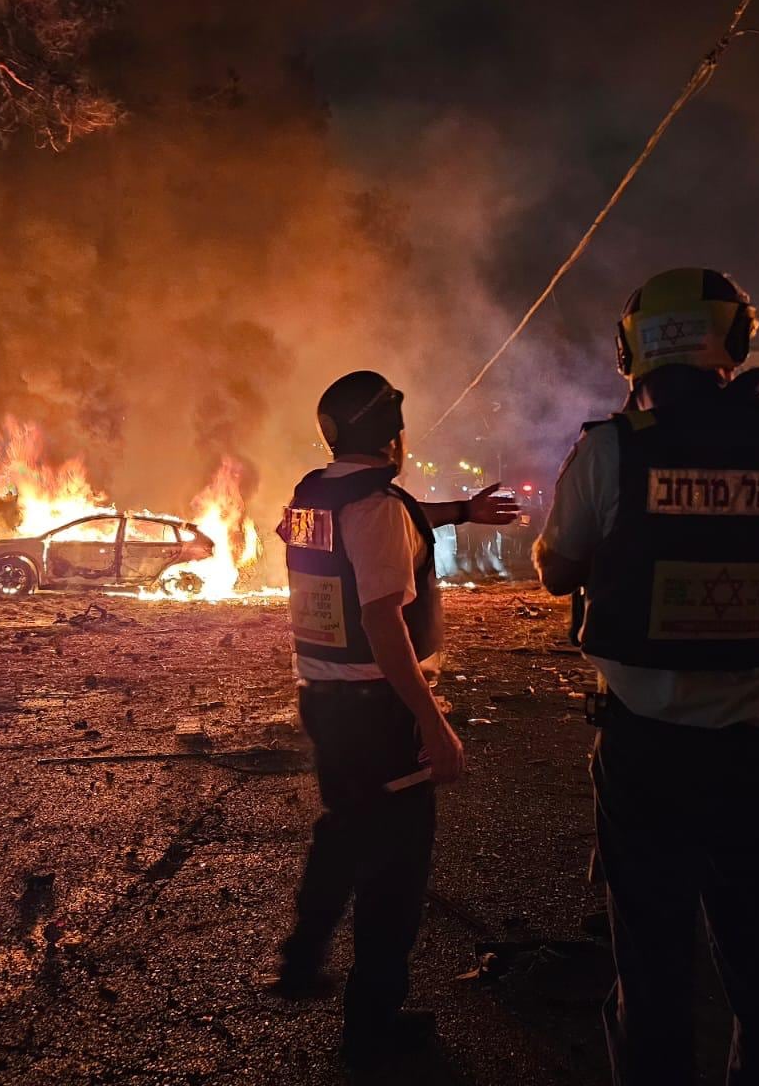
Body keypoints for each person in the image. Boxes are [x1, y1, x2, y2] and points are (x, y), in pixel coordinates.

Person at [533, 268, 759, 1086]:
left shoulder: (610, 450)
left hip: (644, 745)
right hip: (758, 742)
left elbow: (554, 570)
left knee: (650, 962)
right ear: (737, 342)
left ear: (631, 354)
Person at [268, 369, 518, 1067]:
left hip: (322, 697)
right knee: (395, 875)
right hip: (379, 712)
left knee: (344, 828)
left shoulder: (313, 494)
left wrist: (463, 511)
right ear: (392, 435)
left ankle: (301, 957)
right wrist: (432, 722)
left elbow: (387, 521)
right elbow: (382, 617)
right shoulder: (374, 507)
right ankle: (370, 1030)